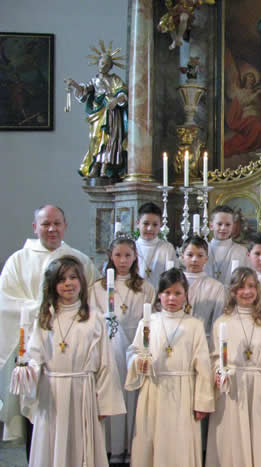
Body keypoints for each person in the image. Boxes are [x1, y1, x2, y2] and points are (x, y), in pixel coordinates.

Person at [0, 205, 96, 444]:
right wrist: (40, 309)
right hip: (28, 346)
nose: (52, 229)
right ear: (35, 227)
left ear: (65, 226)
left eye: (57, 223)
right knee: (32, 407)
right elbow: (4, 303)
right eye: (45, 224)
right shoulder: (18, 260)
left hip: (70, 348)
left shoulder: (79, 260)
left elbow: (93, 299)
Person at [23, 256, 125, 467]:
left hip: (83, 391)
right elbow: (34, 357)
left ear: (81, 281)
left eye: (73, 277)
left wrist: (104, 403)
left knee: (80, 446)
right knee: (52, 445)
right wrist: (26, 371)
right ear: (53, 285)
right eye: (61, 279)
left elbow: (106, 363)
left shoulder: (94, 318)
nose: (68, 283)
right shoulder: (45, 317)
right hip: (51, 393)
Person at [125, 268, 214, 467]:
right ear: (159, 295)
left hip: (183, 391)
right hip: (153, 389)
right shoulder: (148, 322)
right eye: (167, 292)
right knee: (150, 438)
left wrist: (202, 402)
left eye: (177, 293)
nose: (172, 298)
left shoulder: (194, 325)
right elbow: (133, 351)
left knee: (179, 442)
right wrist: (138, 361)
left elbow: (203, 365)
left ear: (186, 295)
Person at [207, 267, 261, 466]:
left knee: (259, 441)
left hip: (260, 389)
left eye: (251, 286)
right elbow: (215, 358)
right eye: (241, 287)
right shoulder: (222, 322)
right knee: (232, 442)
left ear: (257, 289)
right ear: (233, 291)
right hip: (232, 390)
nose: (247, 291)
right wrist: (218, 372)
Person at [89, 237, 155, 464]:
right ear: (110, 256)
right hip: (108, 348)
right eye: (118, 255)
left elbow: (149, 321)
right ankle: (111, 447)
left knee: (132, 398)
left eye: (128, 255)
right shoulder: (97, 288)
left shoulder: (145, 288)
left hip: (134, 348)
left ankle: (130, 446)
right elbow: (92, 321)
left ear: (135, 257)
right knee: (111, 391)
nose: (123, 260)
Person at [65, 42, 128, 179]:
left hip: (112, 113)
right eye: (102, 63)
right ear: (98, 63)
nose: (103, 66)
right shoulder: (94, 80)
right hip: (98, 112)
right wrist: (74, 84)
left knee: (110, 139)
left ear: (110, 67)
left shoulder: (115, 79)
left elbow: (123, 92)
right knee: (95, 138)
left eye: (106, 64)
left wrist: (116, 100)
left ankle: (104, 166)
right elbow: (84, 91)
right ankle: (95, 165)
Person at [180, 235, 226, 345]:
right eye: (190, 255)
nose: (194, 260)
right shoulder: (174, 283)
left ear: (206, 259)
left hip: (203, 342)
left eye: (200, 255)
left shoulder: (216, 287)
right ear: (182, 257)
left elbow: (218, 320)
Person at [135, 202, 177, 290]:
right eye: (146, 223)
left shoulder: (167, 248)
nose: (150, 228)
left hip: (159, 294)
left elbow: (172, 277)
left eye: (155, 225)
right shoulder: (132, 247)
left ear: (160, 225)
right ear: (137, 223)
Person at [205, 205, 249, 285]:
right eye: (219, 224)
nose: (223, 228)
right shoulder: (204, 249)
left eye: (228, 224)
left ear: (233, 227)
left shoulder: (242, 251)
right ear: (211, 226)